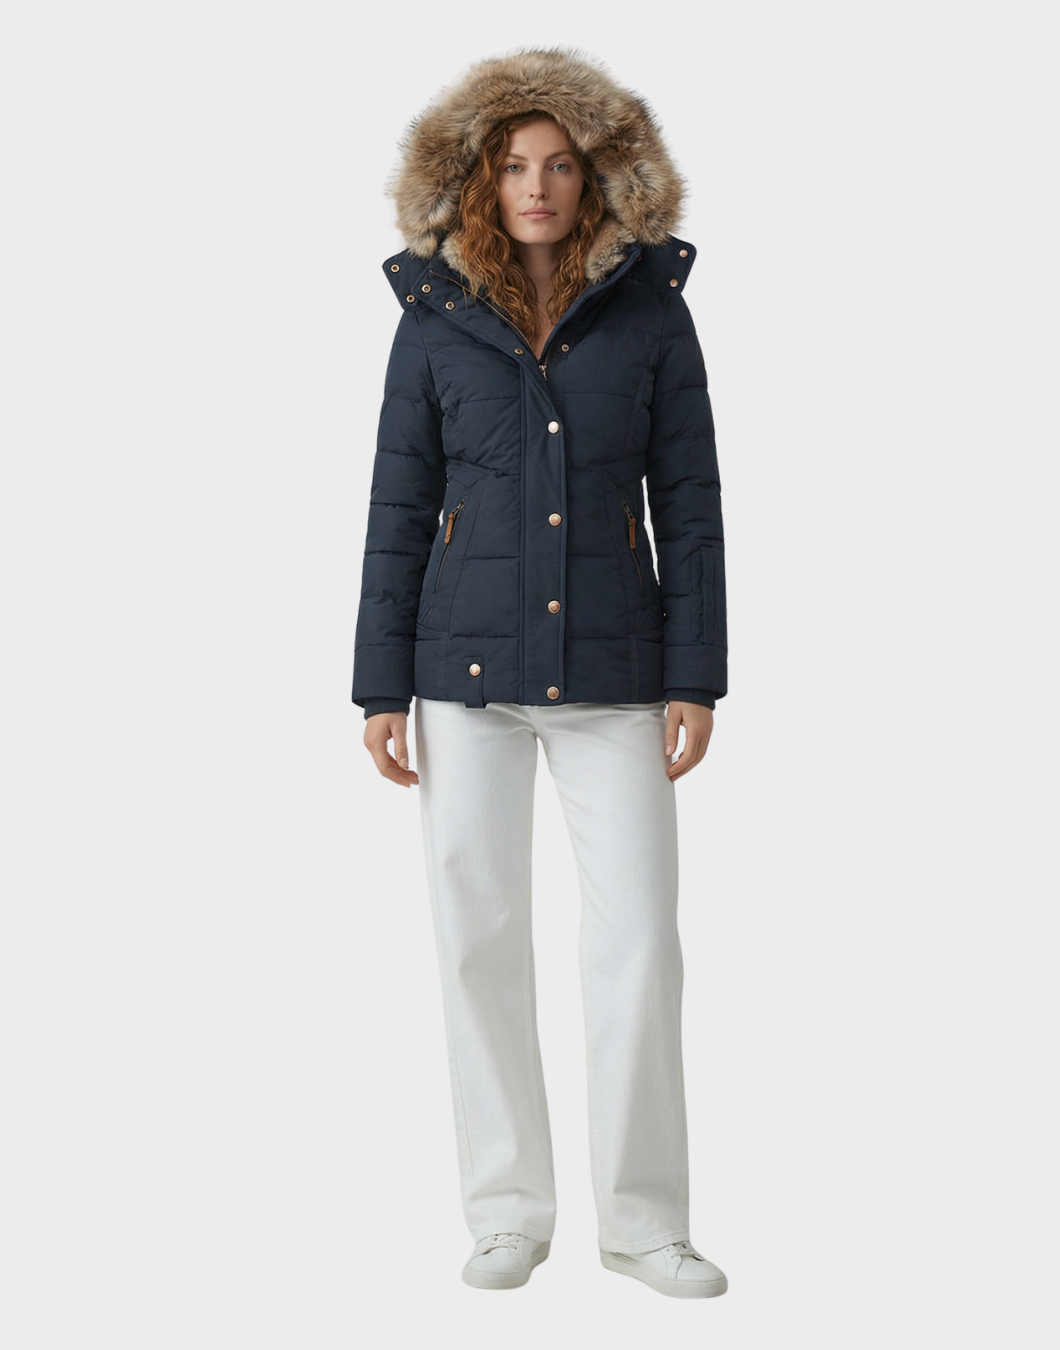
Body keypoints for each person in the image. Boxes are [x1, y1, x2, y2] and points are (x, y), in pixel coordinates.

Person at [351, 49, 729, 1299]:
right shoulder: (433, 315)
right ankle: (508, 1210)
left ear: (597, 178)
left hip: (618, 670)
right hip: (460, 676)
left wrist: (696, 675)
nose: (537, 186)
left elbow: (689, 502)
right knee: (479, 938)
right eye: (514, 165)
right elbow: (399, 505)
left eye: (561, 165)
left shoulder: (652, 314)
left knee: (641, 945)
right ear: (480, 178)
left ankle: (646, 1223)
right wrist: (380, 687)